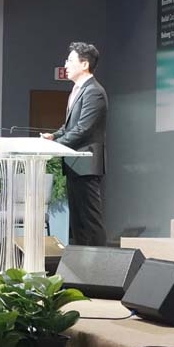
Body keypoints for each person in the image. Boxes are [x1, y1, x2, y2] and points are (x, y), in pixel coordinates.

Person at [41, 41, 108, 247]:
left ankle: (100, 261)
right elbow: (70, 126)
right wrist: (54, 137)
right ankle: (82, 260)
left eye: (70, 60)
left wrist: (56, 146)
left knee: (90, 219)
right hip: (74, 163)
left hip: (86, 164)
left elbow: (83, 128)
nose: (65, 65)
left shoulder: (94, 91)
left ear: (84, 64)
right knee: (78, 221)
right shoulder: (77, 90)